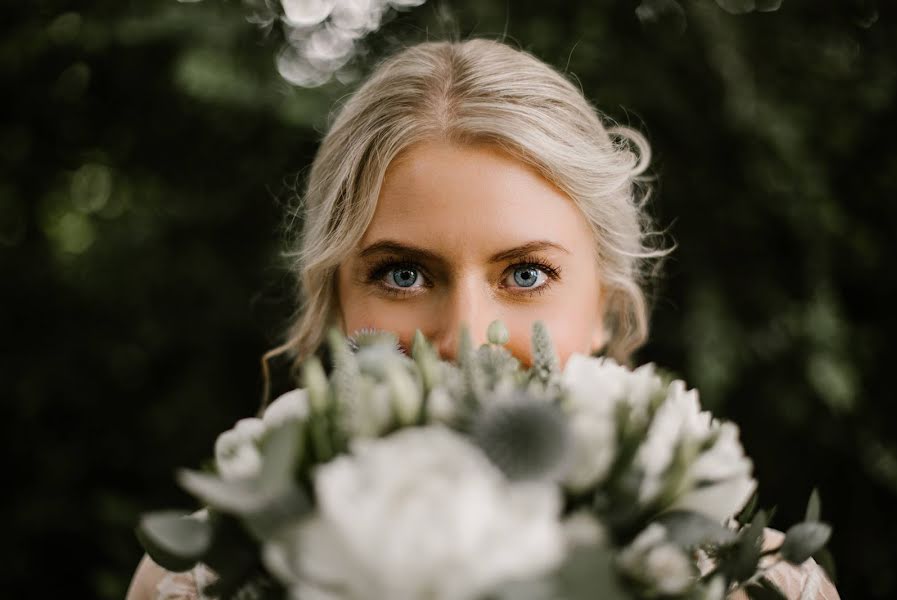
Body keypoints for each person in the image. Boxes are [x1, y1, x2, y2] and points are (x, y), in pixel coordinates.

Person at [127, 38, 838, 600]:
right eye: (402, 274)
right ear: (339, 304)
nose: (466, 340)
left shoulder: (753, 586)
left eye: (526, 274)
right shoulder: (203, 576)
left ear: (605, 306)